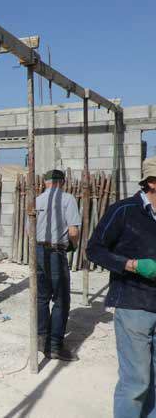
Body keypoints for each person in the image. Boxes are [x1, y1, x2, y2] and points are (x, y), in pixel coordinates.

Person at [87, 156, 156, 417]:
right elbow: (93, 250)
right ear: (152, 183)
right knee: (137, 381)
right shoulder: (124, 210)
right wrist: (133, 265)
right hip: (134, 305)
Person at [35, 169, 81, 361]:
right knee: (61, 298)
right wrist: (74, 245)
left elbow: (30, 230)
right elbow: (73, 231)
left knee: (42, 297)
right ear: (62, 182)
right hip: (55, 252)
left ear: (45, 183)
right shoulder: (68, 199)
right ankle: (54, 345)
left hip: (37, 251)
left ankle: (40, 338)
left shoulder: (36, 200)